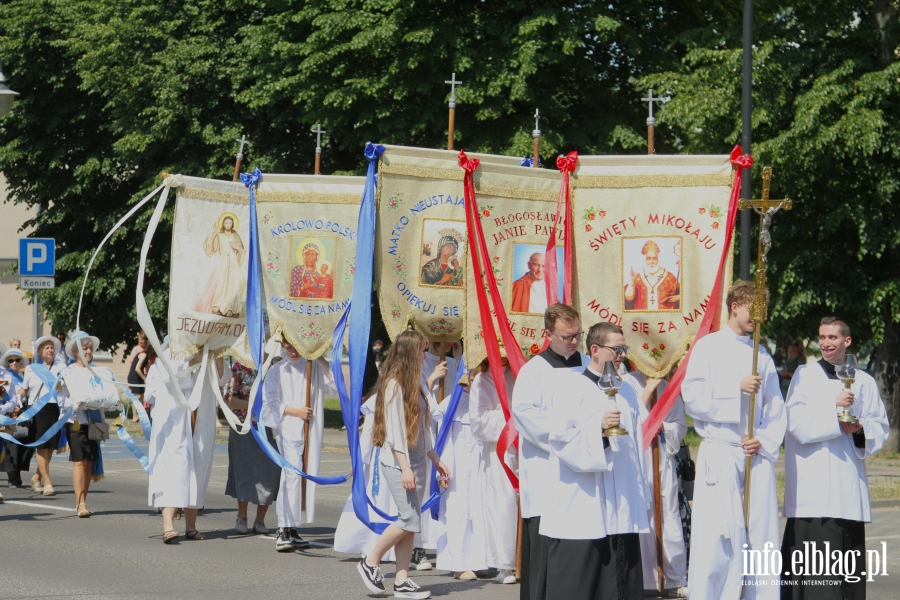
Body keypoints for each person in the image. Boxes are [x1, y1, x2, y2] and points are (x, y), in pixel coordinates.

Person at [682, 280, 785, 600]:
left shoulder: (762, 354)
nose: (758, 318)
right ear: (734, 307)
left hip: (754, 457)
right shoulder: (708, 346)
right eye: (753, 310)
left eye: (762, 312)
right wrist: (734, 387)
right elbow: (693, 398)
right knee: (718, 539)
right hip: (721, 452)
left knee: (759, 537)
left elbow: (775, 407)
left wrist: (764, 440)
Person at [780, 317, 889, 598]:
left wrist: (860, 429)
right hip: (812, 492)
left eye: (833, 338)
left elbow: (880, 424)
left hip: (846, 487)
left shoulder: (863, 380)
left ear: (847, 341)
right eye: (822, 338)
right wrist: (833, 407)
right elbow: (795, 423)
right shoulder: (804, 376)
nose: (826, 343)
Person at [542, 322, 648, 598]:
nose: (622, 354)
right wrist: (598, 429)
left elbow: (635, 444)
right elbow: (561, 440)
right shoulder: (570, 386)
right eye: (616, 349)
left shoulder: (626, 390)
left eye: (624, 348)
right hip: (586, 496)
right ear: (595, 350)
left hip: (622, 495)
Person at [356, 330, 451, 600]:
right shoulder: (394, 385)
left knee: (411, 523)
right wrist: (405, 467)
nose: (425, 354)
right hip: (399, 462)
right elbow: (395, 431)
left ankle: (402, 580)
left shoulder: (416, 381)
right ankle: (370, 560)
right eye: (421, 350)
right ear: (410, 352)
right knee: (408, 519)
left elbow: (423, 426)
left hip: (419, 460)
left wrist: (436, 459)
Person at [512, 303, 590, 600]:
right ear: (548, 334)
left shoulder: (589, 366)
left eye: (577, 335)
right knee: (547, 544)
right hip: (547, 468)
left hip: (584, 468)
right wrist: (570, 437)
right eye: (566, 336)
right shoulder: (534, 371)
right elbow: (526, 417)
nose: (573, 341)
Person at [146, 338, 231, 542]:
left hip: (201, 419)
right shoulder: (168, 355)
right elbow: (174, 375)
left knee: (198, 469)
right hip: (174, 423)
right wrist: (196, 359)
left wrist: (216, 353)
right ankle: (168, 525)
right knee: (173, 469)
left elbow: (222, 378)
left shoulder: (209, 354)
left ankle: (191, 526)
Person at [263, 337, 337, 551]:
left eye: (296, 347)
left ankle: (293, 527)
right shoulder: (278, 370)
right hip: (288, 428)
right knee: (291, 476)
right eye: (288, 348)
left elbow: (333, 386)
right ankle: (282, 527)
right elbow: (271, 401)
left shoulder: (312, 366)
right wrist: (296, 411)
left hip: (310, 429)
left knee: (304, 477)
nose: (293, 352)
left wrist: (318, 355)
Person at [623, 367, 689, 597]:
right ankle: (645, 578)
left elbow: (681, 426)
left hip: (662, 458)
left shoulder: (668, 387)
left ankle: (673, 578)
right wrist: (648, 389)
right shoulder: (626, 382)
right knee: (643, 514)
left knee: (668, 514)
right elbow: (626, 420)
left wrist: (664, 426)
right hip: (638, 459)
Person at [56, 332, 119, 517]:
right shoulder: (67, 372)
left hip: (95, 421)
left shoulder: (100, 371)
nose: (89, 351)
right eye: (85, 348)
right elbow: (61, 401)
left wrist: (108, 402)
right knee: (79, 462)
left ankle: (84, 498)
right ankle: (80, 502)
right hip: (76, 422)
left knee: (90, 461)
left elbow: (104, 396)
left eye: (90, 348)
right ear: (75, 351)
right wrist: (78, 402)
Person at [469, 357, 518, 584]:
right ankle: (504, 565)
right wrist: (511, 415)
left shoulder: (524, 371)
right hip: (501, 449)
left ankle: (527, 559)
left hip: (530, 446)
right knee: (504, 503)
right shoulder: (482, 379)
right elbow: (478, 423)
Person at [435, 377, 490, 580]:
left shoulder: (487, 397)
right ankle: (458, 562)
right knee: (458, 509)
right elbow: (444, 437)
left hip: (482, 459)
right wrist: (443, 469)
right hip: (458, 460)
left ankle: (478, 560)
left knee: (480, 509)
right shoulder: (451, 402)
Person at [223, 359, 280, 535]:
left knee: (269, 472)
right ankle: (242, 515)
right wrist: (253, 407)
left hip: (270, 427)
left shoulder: (275, 365)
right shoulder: (239, 367)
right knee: (244, 470)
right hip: (243, 426)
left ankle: (260, 519)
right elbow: (229, 399)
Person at [16, 335, 65, 496]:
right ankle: (48, 482)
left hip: (55, 409)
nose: (50, 350)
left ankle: (37, 477)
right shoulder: (32, 368)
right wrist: (16, 401)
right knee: (42, 447)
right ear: (39, 351)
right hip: (38, 409)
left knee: (50, 447)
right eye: (46, 348)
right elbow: (24, 389)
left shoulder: (61, 367)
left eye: (51, 347)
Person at [193, 213, 246, 317]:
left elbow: (242, 251)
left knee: (232, 285)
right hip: (223, 263)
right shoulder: (220, 235)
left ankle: (230, 307)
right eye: (226, 223)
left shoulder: (236, 236)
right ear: (223, 224)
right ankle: (219, 306)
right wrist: (214, 233)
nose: (228, 225)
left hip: (233, 263)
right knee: (220, 284)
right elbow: (211, 247)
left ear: (232, 224)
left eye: (230, 223)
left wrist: (237, 247)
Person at [1, 348, 32, 487]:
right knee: (10, 444)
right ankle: (12, 476)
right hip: (7, 415)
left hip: (21, 413)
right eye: (11, 360)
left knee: (25, 443)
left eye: (17, 360)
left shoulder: (23, 376)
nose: (14, 363)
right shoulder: (5, 376)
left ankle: (18, 471)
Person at [624, 240, 680, 310]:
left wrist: (679, 297)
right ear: (644, 260)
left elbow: (683, 294)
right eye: (648, 258)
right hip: (642, 319)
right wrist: (632, 281)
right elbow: (629, 298)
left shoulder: (669, 277)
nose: (652, 262)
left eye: (654, 258)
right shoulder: (637, 277)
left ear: (658, 259)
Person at [127, 341, 156, 422]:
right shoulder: (143, 355)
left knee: (141, 396)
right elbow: (137, 368)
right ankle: (135, 416)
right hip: (135, 377)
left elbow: (147, 368)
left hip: (138, 377)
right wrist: (145, 379)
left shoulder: (147, 357)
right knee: (137, 397)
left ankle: (140, 415)